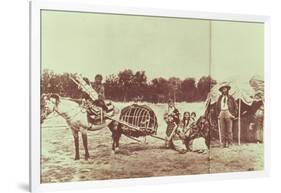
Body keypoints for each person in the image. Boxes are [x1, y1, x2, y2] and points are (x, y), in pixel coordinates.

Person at [216, 83, 238, 148]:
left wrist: (233, 114)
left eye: (225, 89)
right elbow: (217, 106)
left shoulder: (231, 98)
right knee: (222, 129)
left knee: (229, 129)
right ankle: (223, 143)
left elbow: (236, 106)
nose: (224, 90)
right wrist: (218, 114)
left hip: (228, 112)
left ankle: (230, 143)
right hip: (221, 112)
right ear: (221, 90)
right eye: (223, 89)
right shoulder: (220, 98)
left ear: (227, 90)